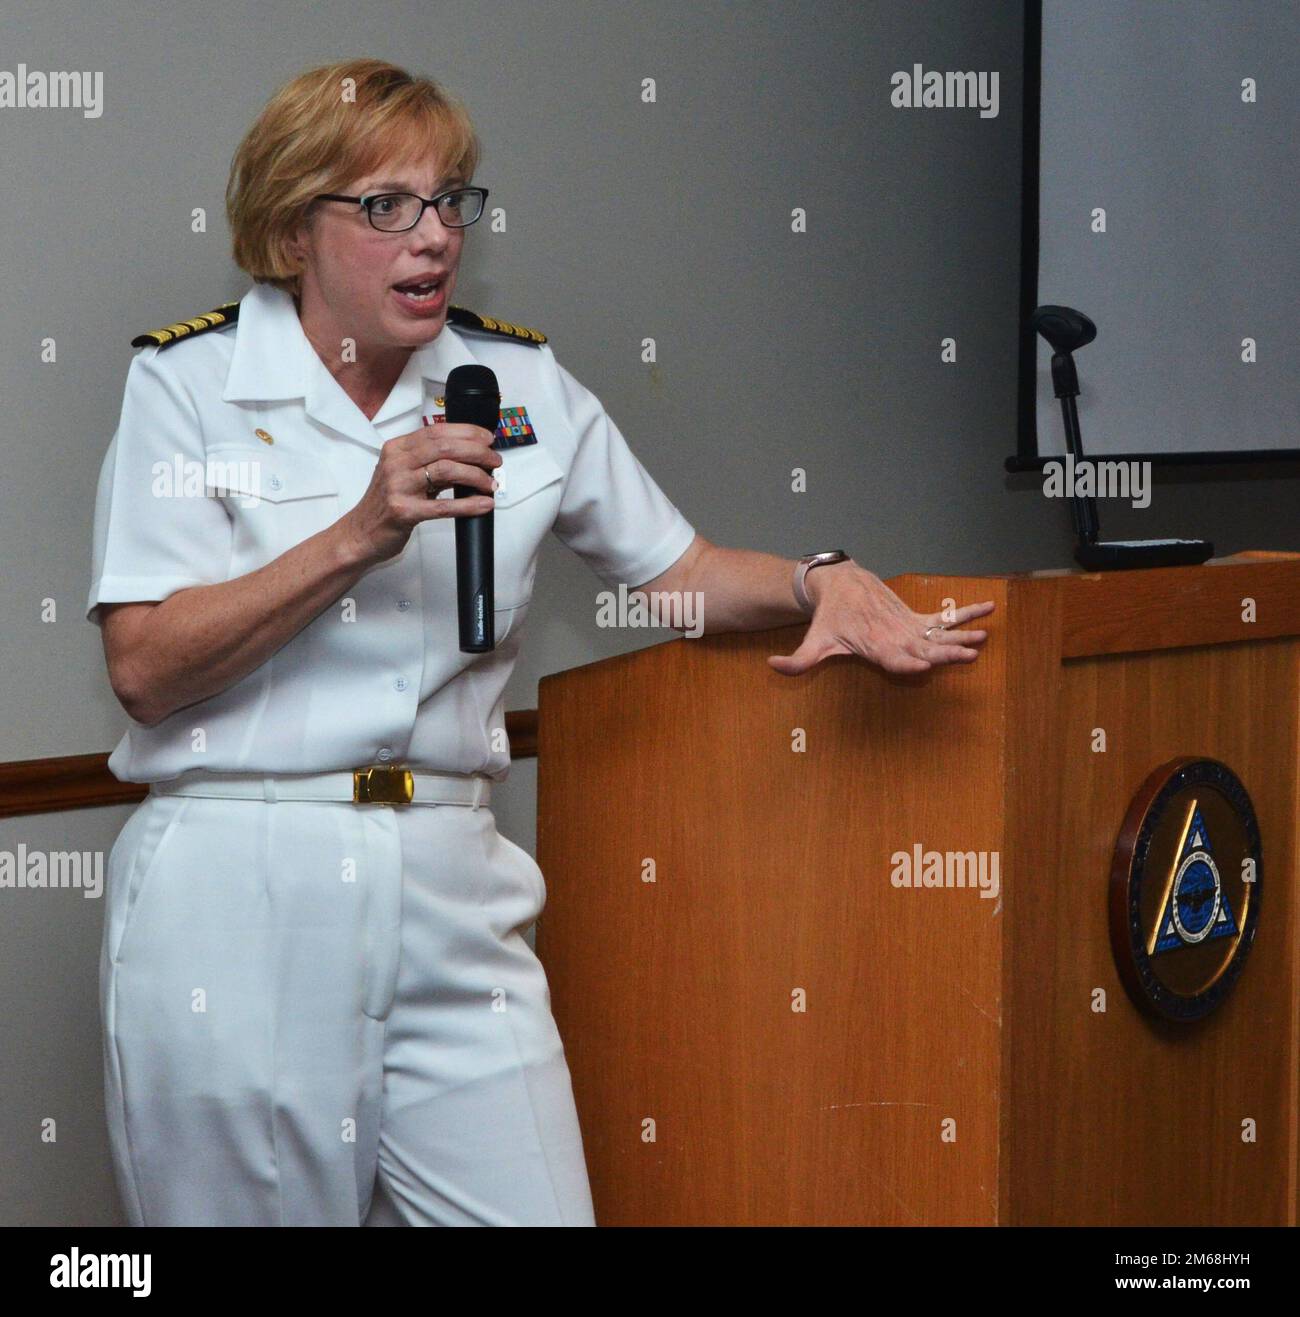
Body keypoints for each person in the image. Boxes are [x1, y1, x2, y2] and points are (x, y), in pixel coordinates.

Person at [86, 57, 994, 1227]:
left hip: (454, 882)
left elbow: (678, 573)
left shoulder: (514, 380)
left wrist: (816, 581)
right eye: (385, 208)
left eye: (450, 199)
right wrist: (359, 532)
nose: (433, 238)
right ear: (289, 231)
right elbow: (145, 670)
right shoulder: (191, 383)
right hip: (242, 884)